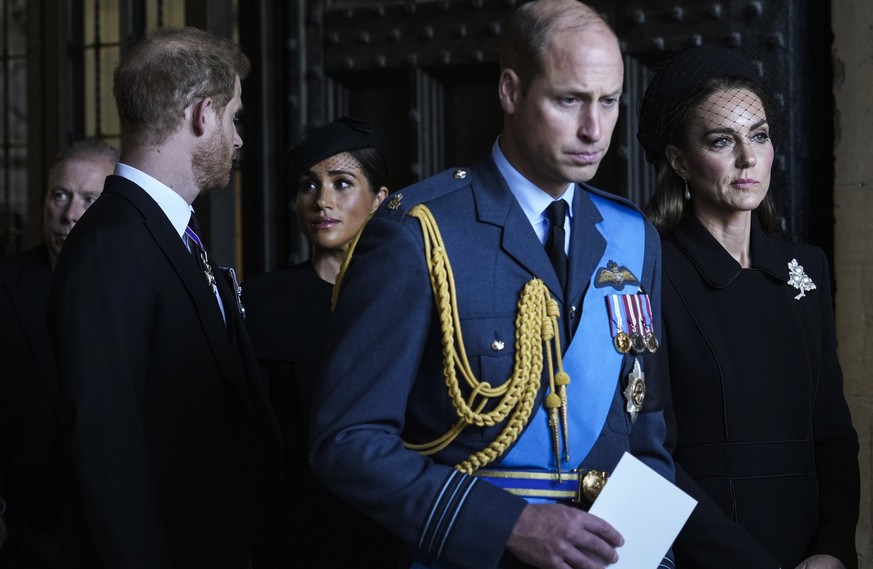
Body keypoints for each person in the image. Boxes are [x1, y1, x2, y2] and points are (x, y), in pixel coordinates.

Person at [307, 2, 676, 568]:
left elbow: (645, 429)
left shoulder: (633, 237)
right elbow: (347, 443)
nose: (594, 129)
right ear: (510, 91)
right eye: (569, 100)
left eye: (609, 101)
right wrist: (511, 524)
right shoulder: (419, 233)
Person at [48, 27, 281, 569]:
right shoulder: (111, 246)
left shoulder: (172, 233)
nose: (239, 139)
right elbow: (106, 450)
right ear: (203, 115)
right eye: (234, 118)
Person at [637, 44, 860, 569]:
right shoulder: (650, 272)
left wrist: (833, 547)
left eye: (759, 136)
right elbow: (650, 452)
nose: (747, 159)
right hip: (708, 550)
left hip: (810, 550)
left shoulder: (807, 268)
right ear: (679, 161)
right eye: (722, 141)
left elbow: (832, 430)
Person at [243, 116, 398, 567]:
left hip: (387, 535)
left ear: (378, 201)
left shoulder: (410, 303)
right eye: (308, 186)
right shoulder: (260, 302)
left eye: (342, 183)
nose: (322, 201)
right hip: (290, 539)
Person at [0, 139, 117, 568]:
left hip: (114, 534)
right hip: (24, 534)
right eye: (60, 195)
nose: (69, 214)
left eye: (89, 199)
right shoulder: (6, 288)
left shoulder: (134, 292)